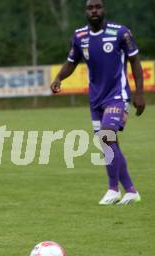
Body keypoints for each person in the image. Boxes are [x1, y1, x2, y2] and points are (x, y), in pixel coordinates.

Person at [50, 0, 145, 205]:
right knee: (108, 144)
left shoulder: (121, 32)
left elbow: (135, 62)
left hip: (117, 95)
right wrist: (58, 78)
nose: (94, 11)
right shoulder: (79, 36)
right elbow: (72, 62)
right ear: (86, 11)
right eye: (90, 7)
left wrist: (139, 93)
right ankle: (129, 190)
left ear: (104, 9)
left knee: (106, 136)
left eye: (98, 7)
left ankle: (113, 189)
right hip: (95, 99)